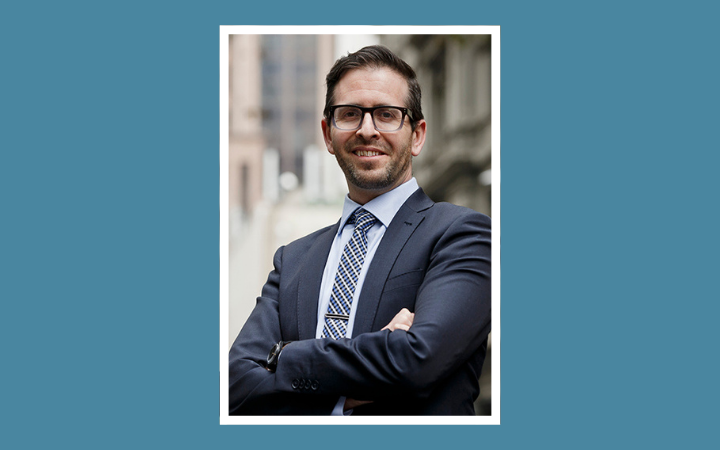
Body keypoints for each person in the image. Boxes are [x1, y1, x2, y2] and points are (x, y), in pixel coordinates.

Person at [229, 45, 491, 415]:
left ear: (417, 135)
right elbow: (235, 384)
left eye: (387, 115)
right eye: (349, 114)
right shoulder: (293, 260)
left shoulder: (463, 235)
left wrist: (282, 357)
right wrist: (358, 375)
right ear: (327, 133)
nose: (367, 130)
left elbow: (417, 361)